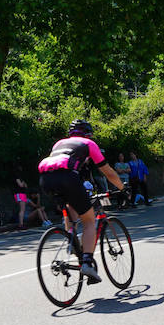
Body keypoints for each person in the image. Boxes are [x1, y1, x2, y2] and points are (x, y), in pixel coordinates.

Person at [37, 120, 125, 284]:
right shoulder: (89, 144)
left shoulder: (60, 143)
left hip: (45, 179)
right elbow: (108, 171)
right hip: (67, 177)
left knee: (71, 207)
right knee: (89, 221)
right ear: (88, 134)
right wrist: (122, 188)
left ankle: (71, 241)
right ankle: (86, 263)